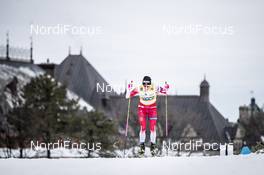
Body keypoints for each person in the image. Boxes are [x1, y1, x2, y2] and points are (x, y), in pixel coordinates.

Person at [126, 76, 169, 156]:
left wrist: (166, 88)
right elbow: (127, 96)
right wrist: (129, 89)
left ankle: (153, 146)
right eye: (144, 83)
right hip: (142, 109)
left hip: (152, 109)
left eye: (147, 84)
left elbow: (166, 92)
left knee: (152, 127)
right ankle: (142, 147)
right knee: (143, 127)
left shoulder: (155, 87)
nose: (145, 86)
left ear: (150, 83)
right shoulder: (139, 88)